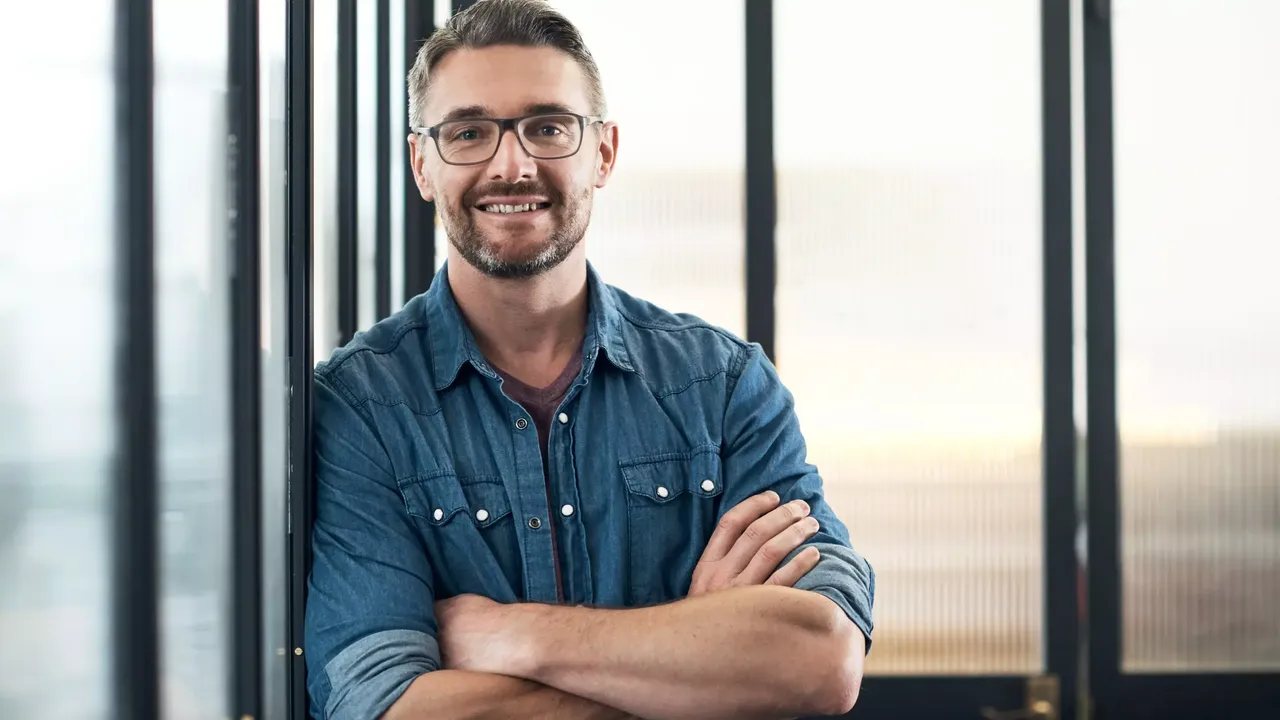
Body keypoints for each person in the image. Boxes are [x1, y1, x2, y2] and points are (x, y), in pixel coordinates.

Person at [304, 1, 875, 718]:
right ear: (423, 163)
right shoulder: (361, 406)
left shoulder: (723, 387)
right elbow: (382, 703)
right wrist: (692, 664)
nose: (511, 165)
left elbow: (817, 661)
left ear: (602, 152)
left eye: (548, 127)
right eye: (469, 132)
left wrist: (513, 636)